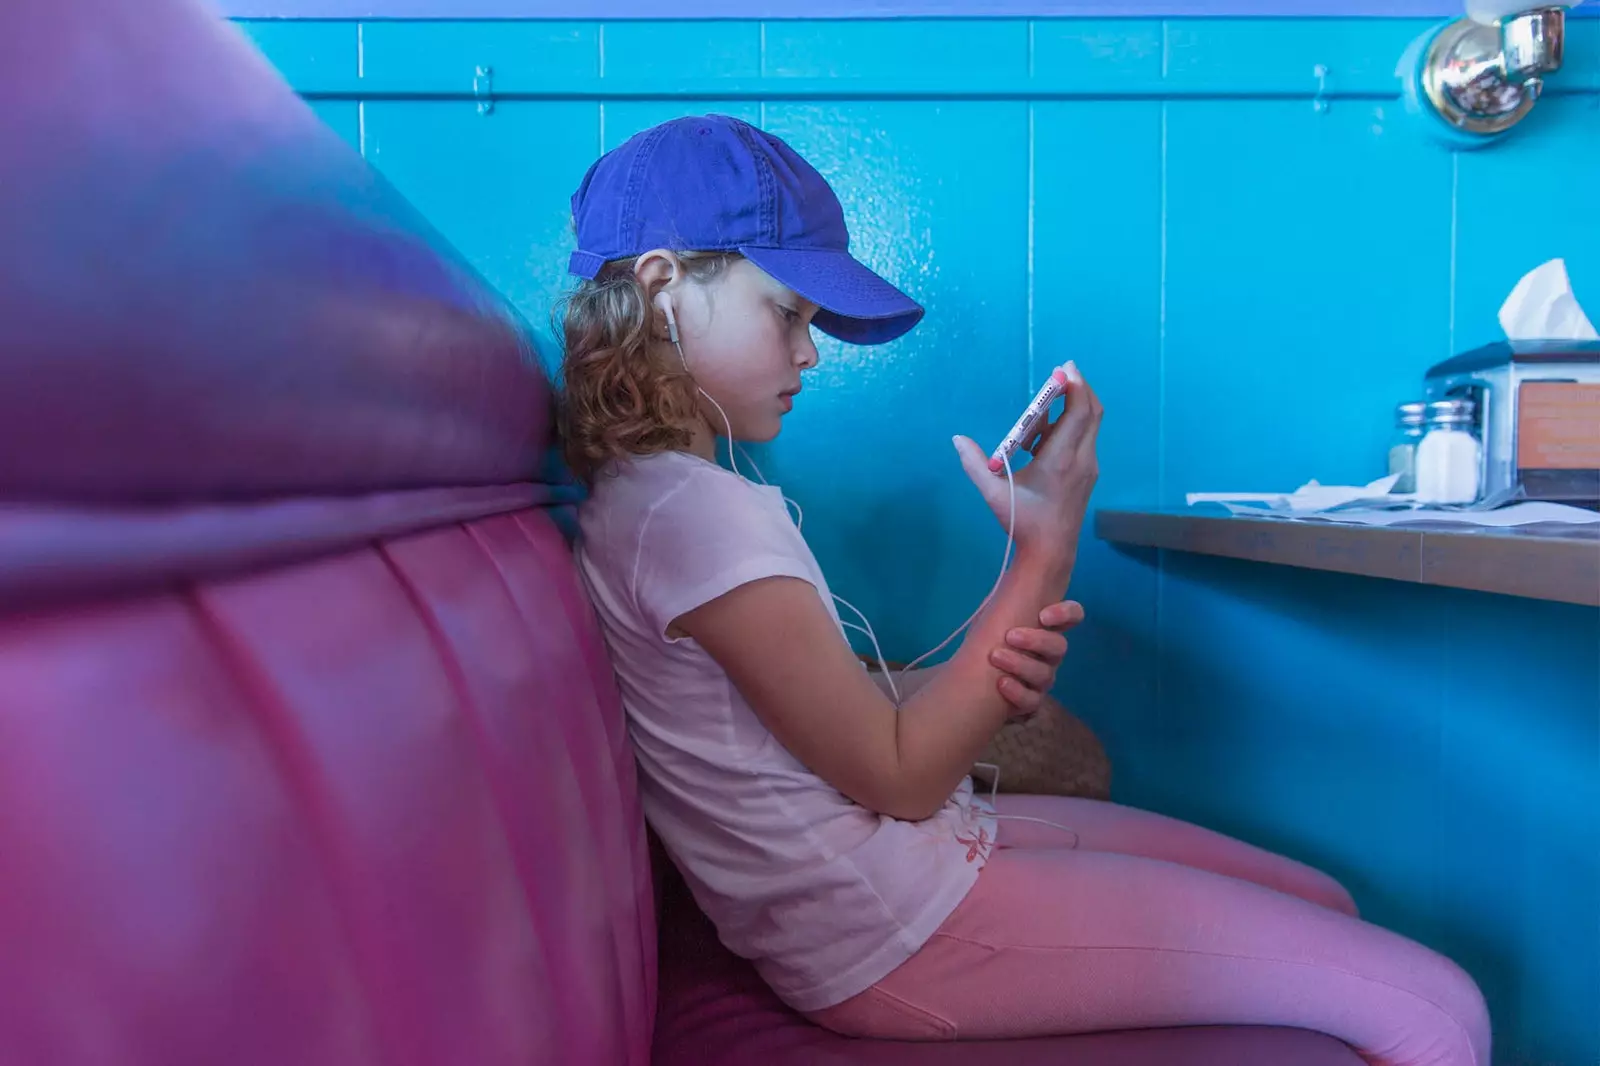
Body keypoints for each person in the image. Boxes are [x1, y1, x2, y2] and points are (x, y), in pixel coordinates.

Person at [558, 113, 1490, 1065]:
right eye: (789, 312)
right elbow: (899, 773)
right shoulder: (694, 514)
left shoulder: (658, 498)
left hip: (907, 871)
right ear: (663, 284)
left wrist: (979, 688)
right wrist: (1044, 546)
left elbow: (831, 722)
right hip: (890, 931)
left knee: (1322, 900)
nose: (811, 353)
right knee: (1438, 1009)